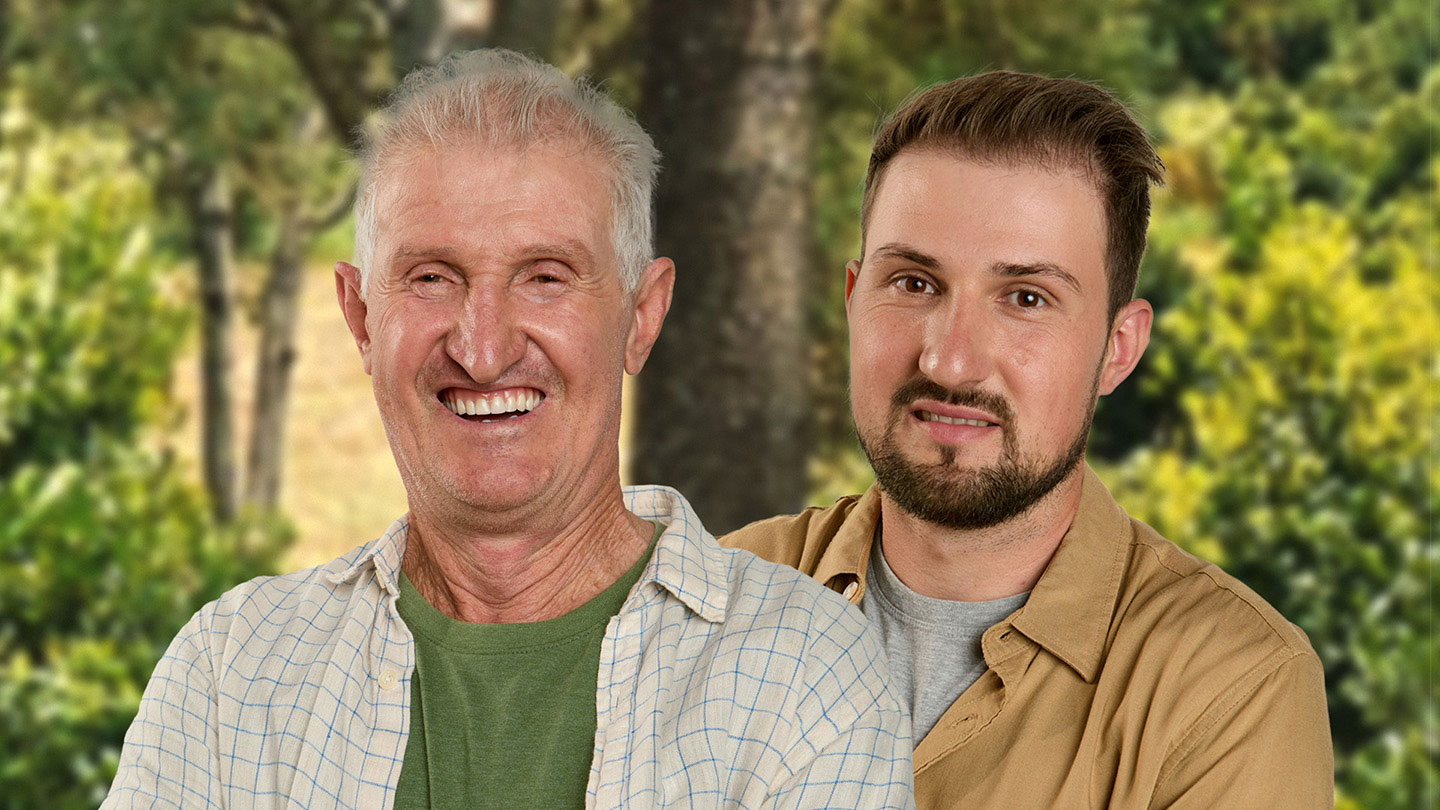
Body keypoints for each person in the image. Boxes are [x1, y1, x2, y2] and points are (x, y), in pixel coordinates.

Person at [103, 50, 912, 809]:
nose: (482, 349)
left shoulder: (802, 676)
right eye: (430, 278)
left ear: (641, 314)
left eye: (545, 278)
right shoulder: (228, 674)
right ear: (360, 317)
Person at [722, 71, 1333, 808]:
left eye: (1025, 299)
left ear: (1118, 347)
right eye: (914, 283)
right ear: (854, 300)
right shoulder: (715, 598)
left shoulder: (1231, 685)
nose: (949, 360)